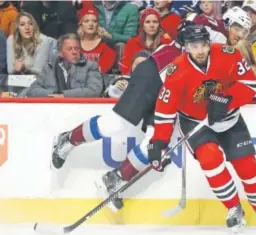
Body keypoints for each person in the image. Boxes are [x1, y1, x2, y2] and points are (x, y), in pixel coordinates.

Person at [146, 24, 256, 231]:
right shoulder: (175, 71)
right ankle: (234, 208)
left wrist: (227, 100)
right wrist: (158, 141)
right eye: (194, 46)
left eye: (203, 44)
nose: (200, 50)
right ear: (185, 48)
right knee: (211, 160)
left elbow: (249, 84)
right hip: (195, 121)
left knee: (247, 166)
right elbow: (165, 111)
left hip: (228, 118)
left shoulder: (229, 55)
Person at [50, 21, 195, 210]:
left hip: (167, 92)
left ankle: (115, 178)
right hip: (151, 78)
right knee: (117, 124)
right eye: (195, 43)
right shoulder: (183, 52)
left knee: (154, 140)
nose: (200, 48)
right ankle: (68, 140)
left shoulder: (202, 56)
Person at [27, 33, 103, 97]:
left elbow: (95, 90)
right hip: (53, 109)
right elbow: (32, 91)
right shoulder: (49, 68)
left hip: (80, 109)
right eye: (70, 49)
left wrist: (64, 95)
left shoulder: (90, 66)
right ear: (60, 53)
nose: (74, 52)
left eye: (76, 48)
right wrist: (53, 95)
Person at [120, 8, 172, 75]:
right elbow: (125, 68)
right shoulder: (132, 43)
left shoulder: (166, 43)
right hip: (135, 78)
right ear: (143, 26)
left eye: (155, 22)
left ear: (159, 25)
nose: (152, 25)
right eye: (147, 22)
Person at [77, 7, 117, 74]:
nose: (91, 24)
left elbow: (104, 68)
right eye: (86, 21)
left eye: (94, 21)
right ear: (81, 24)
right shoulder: (75, 43)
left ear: (97, 24)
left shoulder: (107, 43)